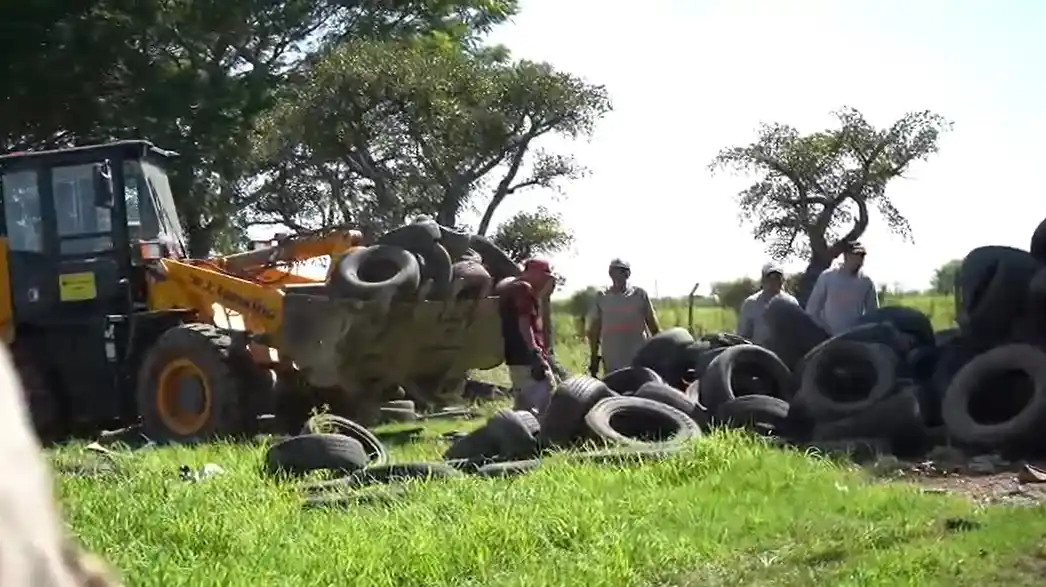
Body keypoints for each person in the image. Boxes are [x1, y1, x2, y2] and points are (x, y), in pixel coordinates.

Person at [494, 258, 558, 415]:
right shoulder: (523, 289)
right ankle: (538, 434)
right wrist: (535, 352)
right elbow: (524, 323)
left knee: (523, 400)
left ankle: (518, 432)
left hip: (515, 355)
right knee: (546, 395)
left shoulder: (512, 288)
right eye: (544, 276)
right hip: (527, 355)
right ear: (533, 273)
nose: (546, 280)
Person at [587, 258, 661, 376]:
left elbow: (652, 324)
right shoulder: (602, 296)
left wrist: (659, 351)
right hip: (612, 357)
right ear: (610, 274)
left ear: (628, 274)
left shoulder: (639, 294)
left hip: (638, 357)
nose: (619, 275)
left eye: (623, 271)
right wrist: (594, 356)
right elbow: (594, 330)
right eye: (615, 271)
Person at [805, 241, 880, 335]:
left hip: (853, 338)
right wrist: (821, 330)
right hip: (826, 337)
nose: (859, 260)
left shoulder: (866, 282)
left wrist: (863, 332)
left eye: (862, 256)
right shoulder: (827, 277)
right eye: (856, 255)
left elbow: (872, 313)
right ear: (846, 256)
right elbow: (812, 309)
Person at [738, 262, 799, 345]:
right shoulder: (751, 303)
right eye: (770, 277)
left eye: (777, 277)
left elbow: (797, 332)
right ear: (763, 280)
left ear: (782, 280)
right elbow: (743, 335)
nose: (774, 281)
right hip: (758, 353)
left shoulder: (791, 302)